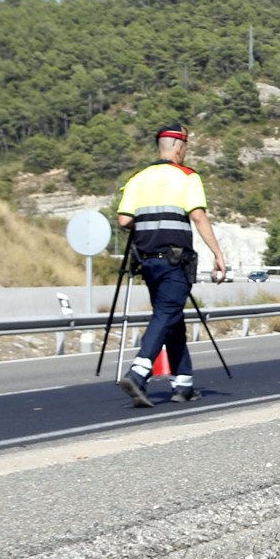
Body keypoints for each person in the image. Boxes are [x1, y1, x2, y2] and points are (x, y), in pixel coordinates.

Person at [112, 124, 229, 407]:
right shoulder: (187, 176)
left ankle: (183, 383)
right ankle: (139, 373)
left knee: (173, 319)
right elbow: (198, 216)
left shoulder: (138, 178)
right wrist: (218, 254)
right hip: (175, 261)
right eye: (186, 147)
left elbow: (124, 220)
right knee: (166, 314)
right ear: (179, 147)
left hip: (147, 261)